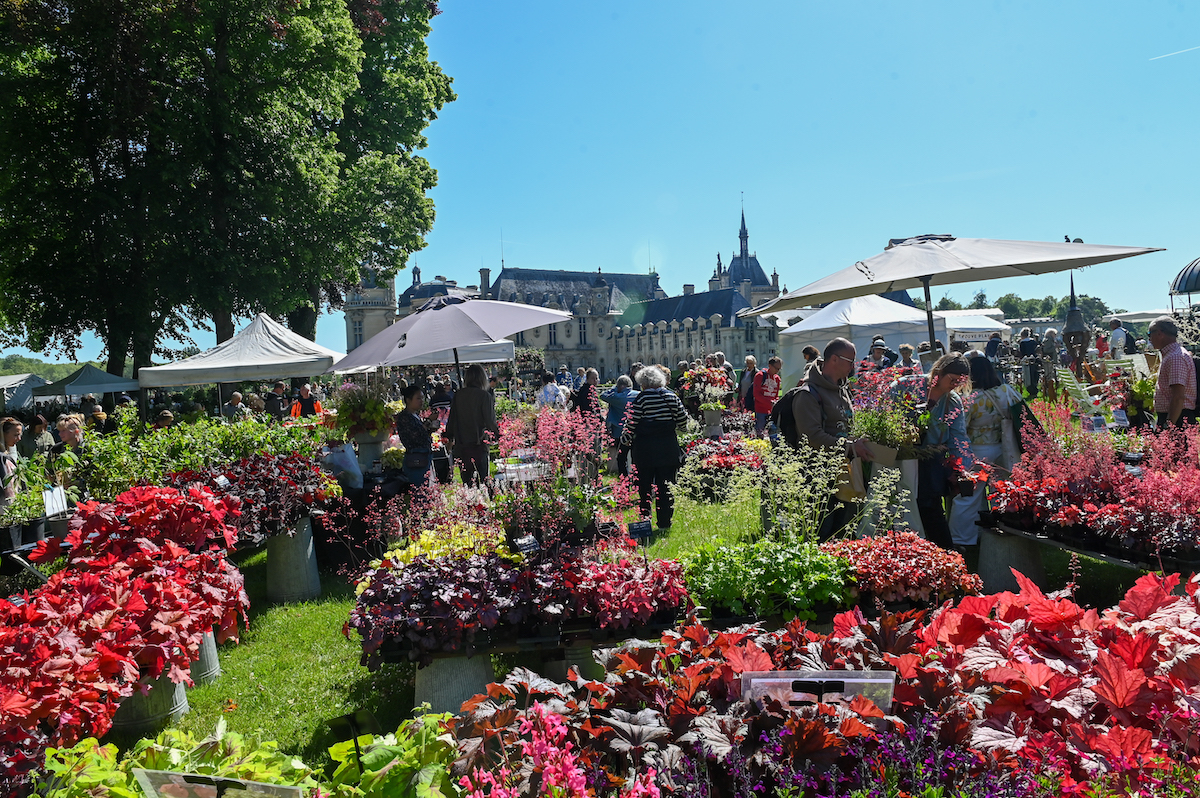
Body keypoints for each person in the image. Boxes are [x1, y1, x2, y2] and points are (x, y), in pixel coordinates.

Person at [947, 355, 1022, 568]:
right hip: (1005, 448)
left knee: (968, 496)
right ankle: (1002, 529)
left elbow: (961, 428)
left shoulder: (971, 398)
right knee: (1002, 492)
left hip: (977, 451)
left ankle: (962, 539)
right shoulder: (1007, 391)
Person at [907, 353, 973, 550]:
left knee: (931, 509)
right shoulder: (908, 387)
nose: (955, 385)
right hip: (903, 459)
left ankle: (945, 554)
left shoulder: (952, 402)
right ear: (939, 371)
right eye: (952, 380)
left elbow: (958, 437)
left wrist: (963, 468)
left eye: (960, 383)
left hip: (931, 463)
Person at [621, 365, 688, 530]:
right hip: (667, 448)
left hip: (645, 450)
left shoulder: (641, 399)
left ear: (643, 383)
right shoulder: (671, 397)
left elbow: (631, 424)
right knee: (666, 487)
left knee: (644, 487)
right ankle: (665, 523)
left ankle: (645, 521)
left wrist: (624, 440)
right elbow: (683, 421)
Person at [444, 364, 499, 487]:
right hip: (479, 443)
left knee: (468, 484)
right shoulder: (484, 396)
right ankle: (484, 504)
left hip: (462, 445)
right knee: (484, 482)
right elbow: (490, 421)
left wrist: (449, 436)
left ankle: (471, 505)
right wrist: (498, 435)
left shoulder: (458, 395)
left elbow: (452, 420)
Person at [1148, 316, 1197, 427]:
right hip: (1175, 416)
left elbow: (1178, 397)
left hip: (1177, 418)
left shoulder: (1175, 357)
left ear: (1160, 333)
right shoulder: (1172, 354)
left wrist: (1169, 425)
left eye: (1149, 334)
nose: (1149, 339)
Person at [394, 384, 436, 486]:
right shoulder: (404, 417)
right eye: (418, 398)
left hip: (424, 456)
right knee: (420, 490)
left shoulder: (415, 415)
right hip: (416, 459)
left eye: (422, 398)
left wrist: (430, 430)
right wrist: (429, 421)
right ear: (408, 400)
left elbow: (422, 434)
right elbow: (415, 435)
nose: (421, 401)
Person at [601, 375, 639, 476]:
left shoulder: (616, 397)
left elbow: (603, 395)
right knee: (636, 457)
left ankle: (624, 479)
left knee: (622, 457)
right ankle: (636, 480)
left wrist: (614, 388)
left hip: (619, 431)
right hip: (636, 430)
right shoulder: (638, 394)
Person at [752, 356, 782, 437]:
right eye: (776, 368)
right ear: (770, 366)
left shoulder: (777, 379)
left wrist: (775, 402)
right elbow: (756, 394)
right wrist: (769, 402)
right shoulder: (760, 376)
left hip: (772, 411)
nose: (777, 371)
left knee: (773, 434)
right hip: (760, 410)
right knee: (760, 432)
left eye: (779, 369)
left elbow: (776, 395)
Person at [1, 417, 24, 512]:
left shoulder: (8, 452)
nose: (19, 439)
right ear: (3, 434)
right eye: (16, 435)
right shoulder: (1, 457)